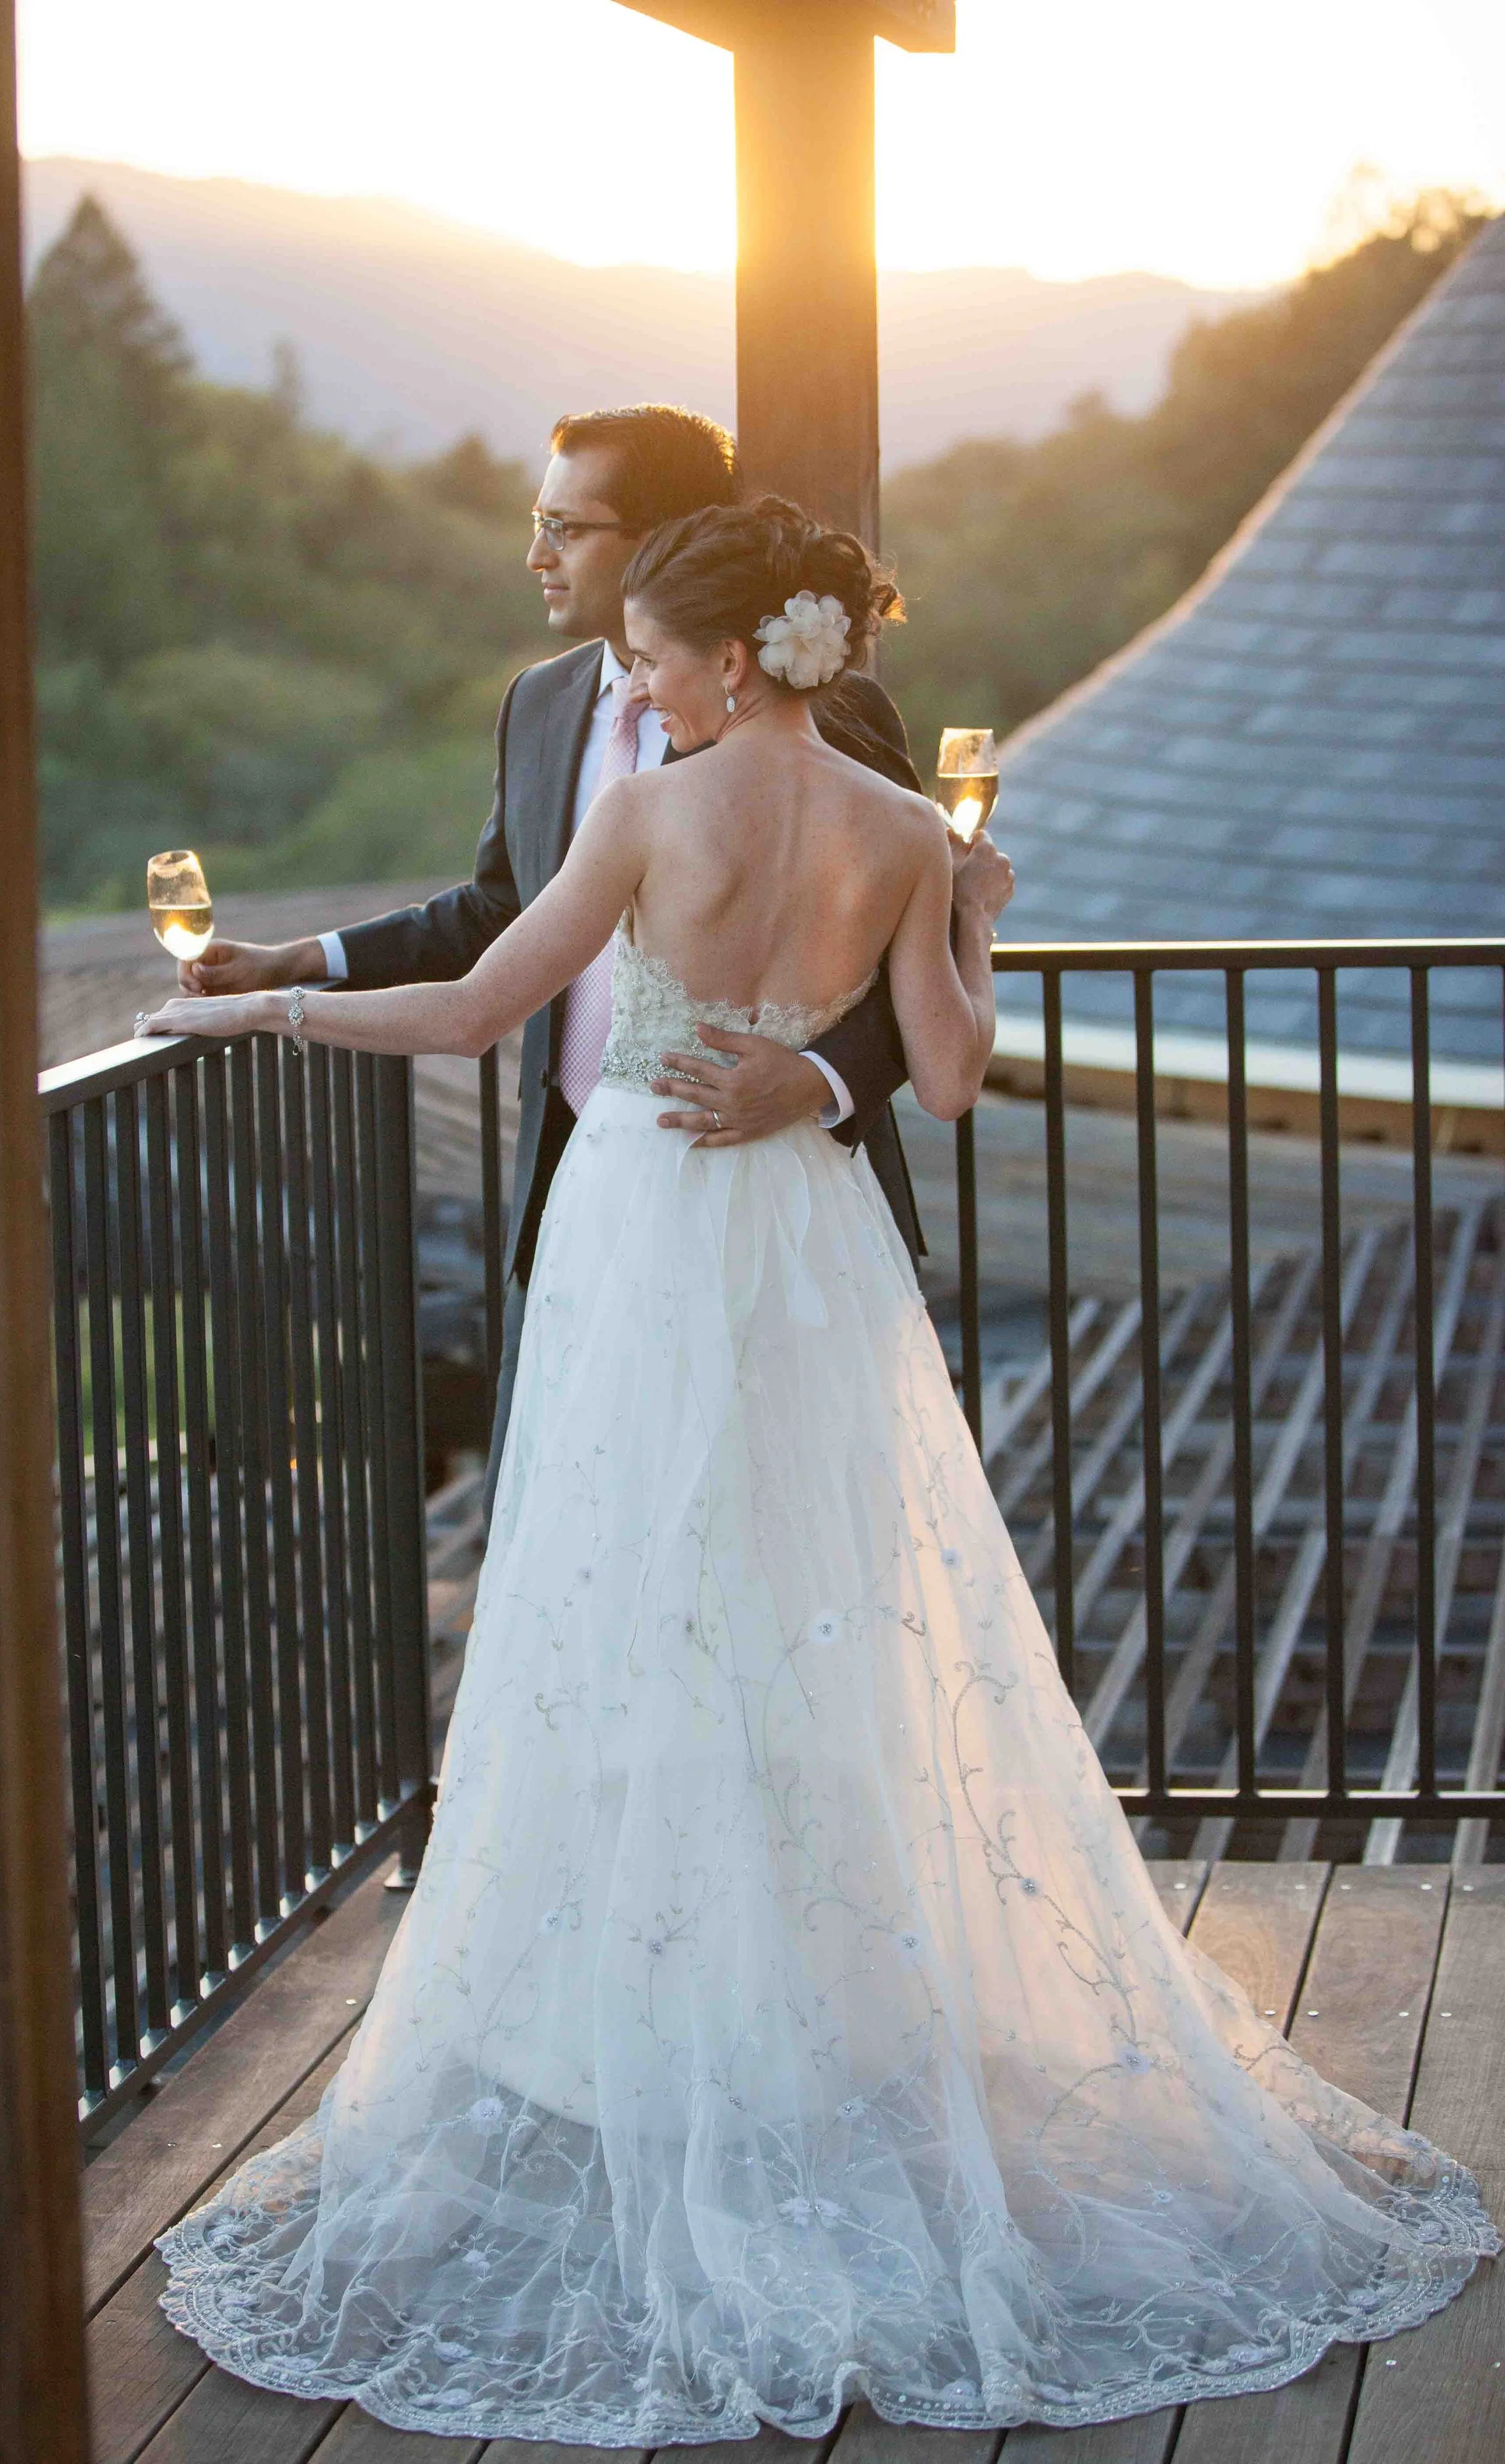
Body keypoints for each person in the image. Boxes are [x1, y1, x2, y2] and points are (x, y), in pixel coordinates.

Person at [143, 495, 1494, 2443]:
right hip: (803, 1234)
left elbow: (472, 1007)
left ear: (715, 658)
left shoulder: (653, 807)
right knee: (816, 1603)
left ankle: (650, 2012)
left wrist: (259, 998)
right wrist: (976, 915)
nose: (629, 677)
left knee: (629, 1600)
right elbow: (943, 1081)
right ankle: (818, 2007)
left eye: (644, 650)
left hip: (643, 1229)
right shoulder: (895, 831)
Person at [175, 403, 930, 1513]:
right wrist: (304, 958)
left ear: (661, 537)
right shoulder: (540, 703)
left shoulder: (822, 704)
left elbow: (905, 928)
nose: (536, 553)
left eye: (564, 526)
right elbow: (498, 906)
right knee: (595, 1523)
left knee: (778, 1521)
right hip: (587, 1181)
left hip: (778, 1189)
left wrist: (815, 1080)